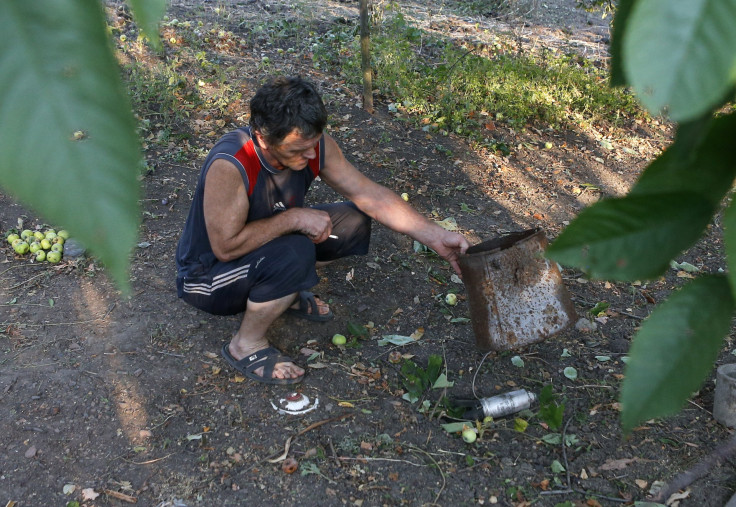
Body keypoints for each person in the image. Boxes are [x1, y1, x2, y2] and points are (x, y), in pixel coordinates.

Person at [176, 76, 469, 385]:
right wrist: (293, 219)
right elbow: (225, 247)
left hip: (258, 253)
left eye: (315, 144)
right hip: (207, 277)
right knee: (296, 250)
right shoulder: (233, 163)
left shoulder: (315, 147)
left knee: (352, 222)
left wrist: (436, 237)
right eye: (301, 150)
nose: (313, 156)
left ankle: (282, 293)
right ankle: (245, 344)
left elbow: (372, 196)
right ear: (264, 139)